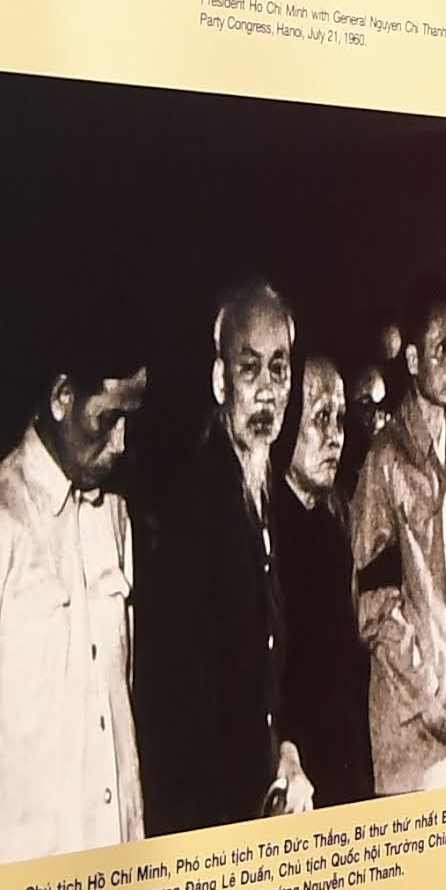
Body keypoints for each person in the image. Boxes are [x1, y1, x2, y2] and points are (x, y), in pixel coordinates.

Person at [0, 348, 151, 868]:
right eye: (108, 419)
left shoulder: (115, 514)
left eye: (130, 421)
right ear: (62, 397)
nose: (121, 443)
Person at [134, 284, 310, 837]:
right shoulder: (190, 509)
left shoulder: (268, 495)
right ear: (219, 380)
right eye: (248, 370)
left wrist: (285, 750)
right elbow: (181, 713)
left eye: (278, 370)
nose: (265, 393)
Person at [356, 283, 446, 793]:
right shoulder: (385, 462)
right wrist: (430, 701)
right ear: (412, 359)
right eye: (442, 348)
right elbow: (375, 608)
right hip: (410, 737)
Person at [274, 339, 379, 806]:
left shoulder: (336, 520)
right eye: (320, 418)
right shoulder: (268, 531)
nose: (336, 434)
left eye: (339, 418)